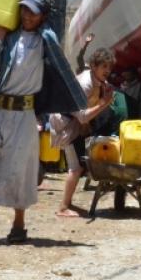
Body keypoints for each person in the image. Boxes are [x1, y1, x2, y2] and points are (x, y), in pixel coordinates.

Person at [0, 0, 86, 244]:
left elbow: (59, 1)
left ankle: (18, 225)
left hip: (24, 115)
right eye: (23, 9)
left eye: (33, 10)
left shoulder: (48, 36)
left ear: (42, 15)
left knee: (21, 170)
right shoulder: (6, 36)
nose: (26, 14)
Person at [54, 48, 115, 217]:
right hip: (67, 125)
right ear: (94, 66)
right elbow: (81, 116)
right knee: (75, 168)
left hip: (75, 125)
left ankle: (68, 203)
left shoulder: (97, 81)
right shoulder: (84, 83)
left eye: (109, 67)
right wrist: (104, 102)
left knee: (78, 167)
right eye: (104, 66)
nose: (107, 71)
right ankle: (63, 207)